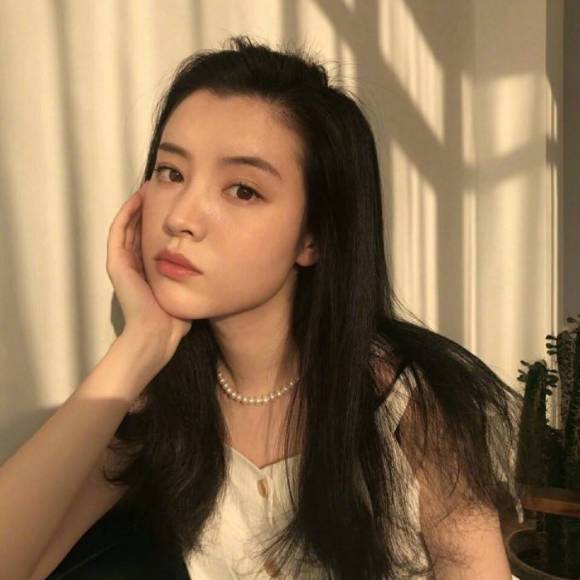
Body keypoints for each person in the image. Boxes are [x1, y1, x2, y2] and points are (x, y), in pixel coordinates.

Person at [0, 35, 522, 579]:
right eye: (171, 172)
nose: (180, 217)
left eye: (243, 190)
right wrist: (139, 344)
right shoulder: (155, 414)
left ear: (312, 237)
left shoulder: (409, 406)